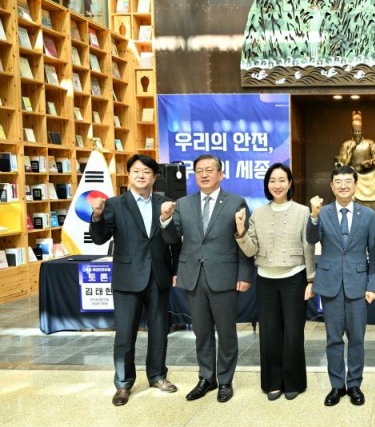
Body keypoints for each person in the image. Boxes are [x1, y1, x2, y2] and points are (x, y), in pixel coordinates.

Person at [161, 154, 254, 403]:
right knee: (201, 331)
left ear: (220, 174)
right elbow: (171, 238)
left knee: (226, 332)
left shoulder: (236, 202)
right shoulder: (182, 204)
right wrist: (165, 219)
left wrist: (245, 274)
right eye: (199, 170)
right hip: (193, 276)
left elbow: (244, 240)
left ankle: (225, 380)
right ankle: (206, 377)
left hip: (224, 276)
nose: (204, 174)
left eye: (209, 170)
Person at [89, 154, 179, 406]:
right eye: (136, 171)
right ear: (128, 174)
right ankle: (123, 384)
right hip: (127, 278)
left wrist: (166, 220)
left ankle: (158, 375)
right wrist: (96, 217)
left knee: (159, 331)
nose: (141, 175)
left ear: (155, 177)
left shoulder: (166, 203)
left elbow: (173, 240)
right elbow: (99, 239)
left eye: (147, 172)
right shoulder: (114, 204)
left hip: (158, 276)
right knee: (125, 334)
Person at [235, 163, 316, 401]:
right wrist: (240, 231)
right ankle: (272, 382)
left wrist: (311, 280)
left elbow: (308, 248)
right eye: (272, 180)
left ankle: (293, 383)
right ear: (267, 185)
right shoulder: (258, 213)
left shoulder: (302, 212)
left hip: (295, 279)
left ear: (290, 183)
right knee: (269, 334)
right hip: (266, 281)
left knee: (293, 333)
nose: (277, 185)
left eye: (282, 180)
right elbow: (251, 251)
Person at [306, 165, 375, 407]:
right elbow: (311, 239)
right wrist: (314, 215)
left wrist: (373, 286)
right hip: (330, 285)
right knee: (333, 339)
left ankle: (355, 384)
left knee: (357, 338)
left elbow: (374, 255)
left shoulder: (368, 215)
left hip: (358, 285)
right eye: (338, 182)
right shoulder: (323, 212)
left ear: (355, 185)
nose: (343, 186)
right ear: (331, 186)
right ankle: (337, 385)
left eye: (348, 181)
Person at [336, 110, 375, 202]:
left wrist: (370, 163)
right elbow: (343, 164)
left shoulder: (370, 143)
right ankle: (353, 195)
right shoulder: (346, 144)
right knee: (350, 174)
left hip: (369, 171)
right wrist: (350, 150)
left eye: (359, 132)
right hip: (354, 172)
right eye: (355, 132)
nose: (357, 134)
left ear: (362, 131)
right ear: (351, 131)